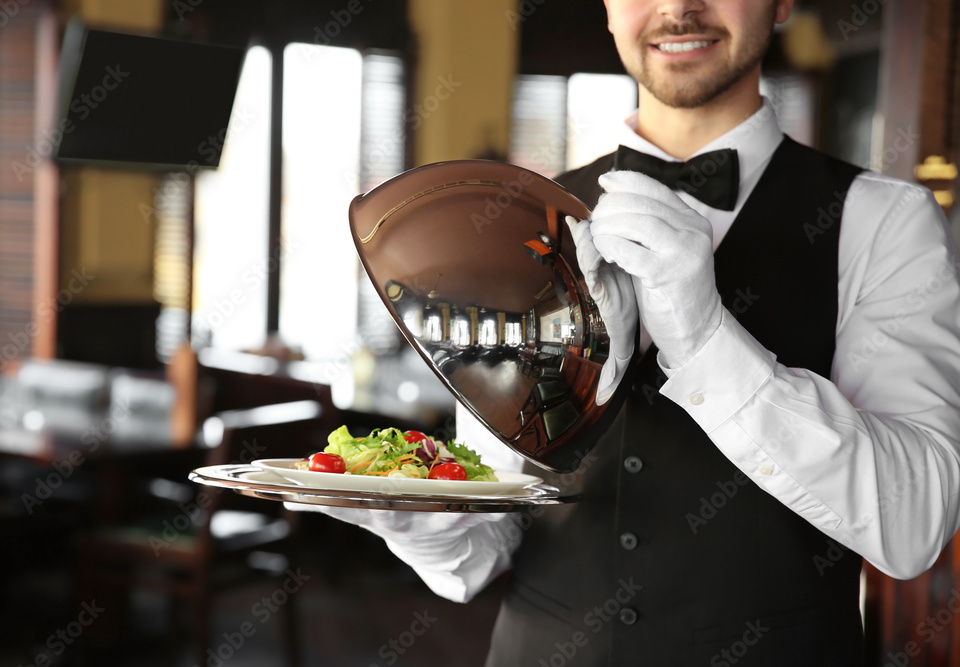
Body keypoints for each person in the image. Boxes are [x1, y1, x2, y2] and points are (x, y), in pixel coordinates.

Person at [290, 0, 960, 664]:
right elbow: (491, 527)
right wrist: (414, 518)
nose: (678, 7)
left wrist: (705, 339)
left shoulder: (884, 223)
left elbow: (915, 525)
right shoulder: (519, 216)